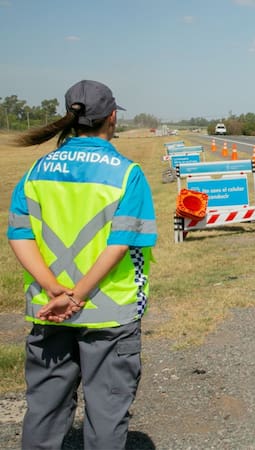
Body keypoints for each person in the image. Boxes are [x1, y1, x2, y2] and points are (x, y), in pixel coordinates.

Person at [6, 80, 157, 449]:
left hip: (48, 310)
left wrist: (55, 289)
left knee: (43, 411)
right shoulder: (126, 173)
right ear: (112, 117)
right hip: (110, 314)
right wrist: (79, 295)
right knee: (106, 414)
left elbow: (19, 235)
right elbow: (120, 245)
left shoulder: (36, 172)